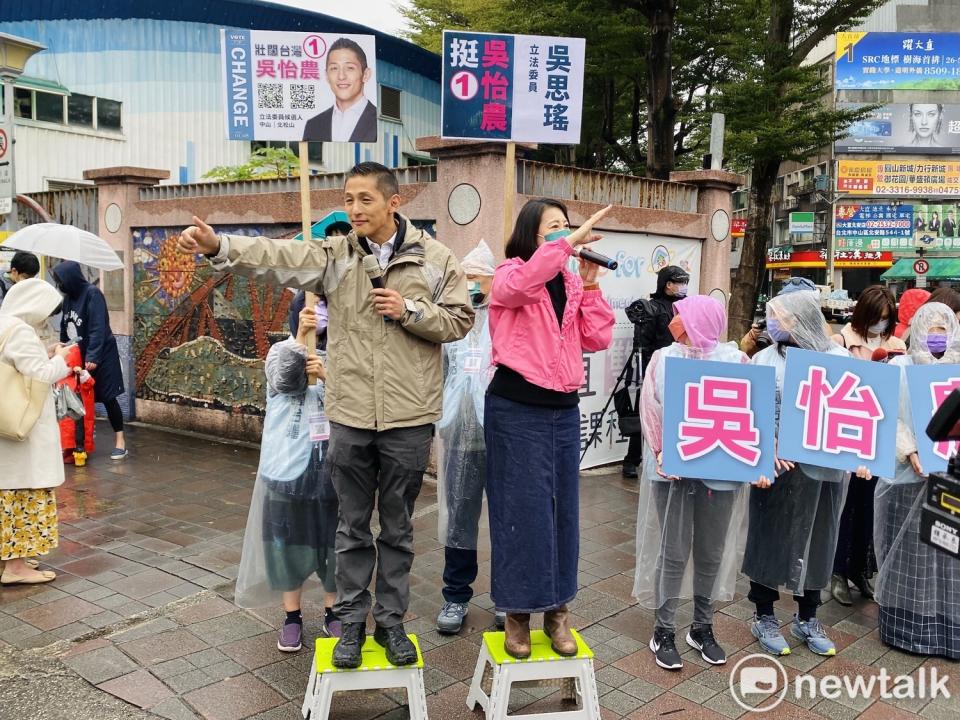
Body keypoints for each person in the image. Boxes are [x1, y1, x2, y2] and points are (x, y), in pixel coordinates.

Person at [178, 162, 474, 669]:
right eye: (348, 198)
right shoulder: (337, 256)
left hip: (409, 417)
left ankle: (392, 623)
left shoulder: (435, 258)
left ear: (393, 203)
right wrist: (219, 246)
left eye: (365, 199)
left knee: (398, 529)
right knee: (352, 528)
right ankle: (352, 626)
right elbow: (279, 256)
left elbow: (461, 319)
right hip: (351, 413)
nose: (354, 209)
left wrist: (410, 311)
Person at [485, 198, 615, 659]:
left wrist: (593, 287)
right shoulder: (511, 273)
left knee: (562, 511)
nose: (567, 234)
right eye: (554, 228)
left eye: (568, 226)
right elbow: (521, 284)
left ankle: (558, 610)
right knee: (521, 511)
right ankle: (517, 613)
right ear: (531, 236)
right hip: (516, 407)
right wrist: (564, 248)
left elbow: (596, 338)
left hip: (562, 409)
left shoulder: (572, 281)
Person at [633, 295, 757, 670]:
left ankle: (702, 626)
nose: (675, 323)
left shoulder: (736, 361)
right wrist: (660, 452)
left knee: (711, 550)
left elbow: (755, 410)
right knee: (672, 551)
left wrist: (760, 455)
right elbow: (649, 408)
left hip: (720, 471)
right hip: (670, 471)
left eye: (682, 318)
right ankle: (664, 629)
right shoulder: (664, 358)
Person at [745, 289, 871, 656]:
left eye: (781, 317)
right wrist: (765, 451)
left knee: (819, 538)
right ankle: (764, 614)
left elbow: (856, 407)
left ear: (801, 319)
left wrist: (863, 452)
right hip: (779, 467)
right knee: (769, 536)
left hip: (825, 468)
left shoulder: (837, 357)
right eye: (773, 316)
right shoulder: (765, 358)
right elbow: (753, 411)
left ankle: (807, 617)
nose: (774, 324)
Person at [235, 293, 341, 652]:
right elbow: (283, 382)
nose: (321, 316)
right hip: (286, 468)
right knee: (286, 545)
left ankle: (333, 610)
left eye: (327, 308)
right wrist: (299, 341)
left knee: (334, 543)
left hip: (332, 467)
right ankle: (292, 616)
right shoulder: (281, 350)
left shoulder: (345, 354)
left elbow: (356, 400)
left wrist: (328, 374)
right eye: (315, 309)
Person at [875, 302, 960, 659]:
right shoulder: (900, 366)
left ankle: (947, 630)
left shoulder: (957, 369)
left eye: (944, 329)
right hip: (907, 478)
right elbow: (886, 414)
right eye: (931, 327)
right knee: (908, 554)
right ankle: (906, 629)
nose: (936, 336)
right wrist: (910, 450)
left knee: (947, 553)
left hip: (949, 480)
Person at [434, 240, 505, 634]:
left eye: (477, 278)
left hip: (501, 430)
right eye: (465, 278)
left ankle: (506, 597)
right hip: (460, 434)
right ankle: (455, 596)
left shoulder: (507, 318)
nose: (471, 285)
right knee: (460, 515)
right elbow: (439, 373)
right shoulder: (453, 321)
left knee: (504, 518)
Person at [827, 286, 905, 607]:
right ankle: (837, 572)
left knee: (871, 507)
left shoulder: (898, 346)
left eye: (886, 320)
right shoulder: (841, 342)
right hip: (849, 434)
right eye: (876, 319)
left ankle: (861, 570)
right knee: (847, 505)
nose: (880, 326)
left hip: (882, 434)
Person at [0, 279, 72, 585]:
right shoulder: (20, 331)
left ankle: (10, 558)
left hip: (7, 426)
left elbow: (17, 363)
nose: (46, 319)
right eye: (46, 312)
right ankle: (16, 568)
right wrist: (61, 359)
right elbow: (40, 373)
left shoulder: (5, 324)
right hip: (24, 431)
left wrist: (46, 350)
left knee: (8, 493)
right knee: (25, 492)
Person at [51, 262, 128, 461]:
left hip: (101, 356)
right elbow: (64, 326)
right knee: (78, 400)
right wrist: (62, 350)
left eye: (61, 281)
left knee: (108, 397)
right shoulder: (68, 298)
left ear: (71, 279)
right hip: (78, 357)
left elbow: (98, 327)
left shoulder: (92, 294)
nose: (60, 286)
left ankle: (120, 441)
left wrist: (93, 356)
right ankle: (80, 442)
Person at [621, 265, 690, 478]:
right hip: (654, 369)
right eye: (680, 282)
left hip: (682, 368)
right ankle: (632, 459)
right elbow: (642, 344)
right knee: (646, 415)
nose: (683, 286)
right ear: (667, 284)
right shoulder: (652, 308)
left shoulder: (687, 306)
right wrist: (647, 370)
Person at [302, 38, 377, 143]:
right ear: (327, 76)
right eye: (334, 68)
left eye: (350, 68)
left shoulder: (379, 121)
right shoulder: (313, 125)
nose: (341, 76)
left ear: (365, 74)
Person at [739, 277, 817, 357]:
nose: (776, 317)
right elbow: (752, 359)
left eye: (788, 306)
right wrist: (752, 341)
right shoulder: (771, 348)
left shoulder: (821, 345)